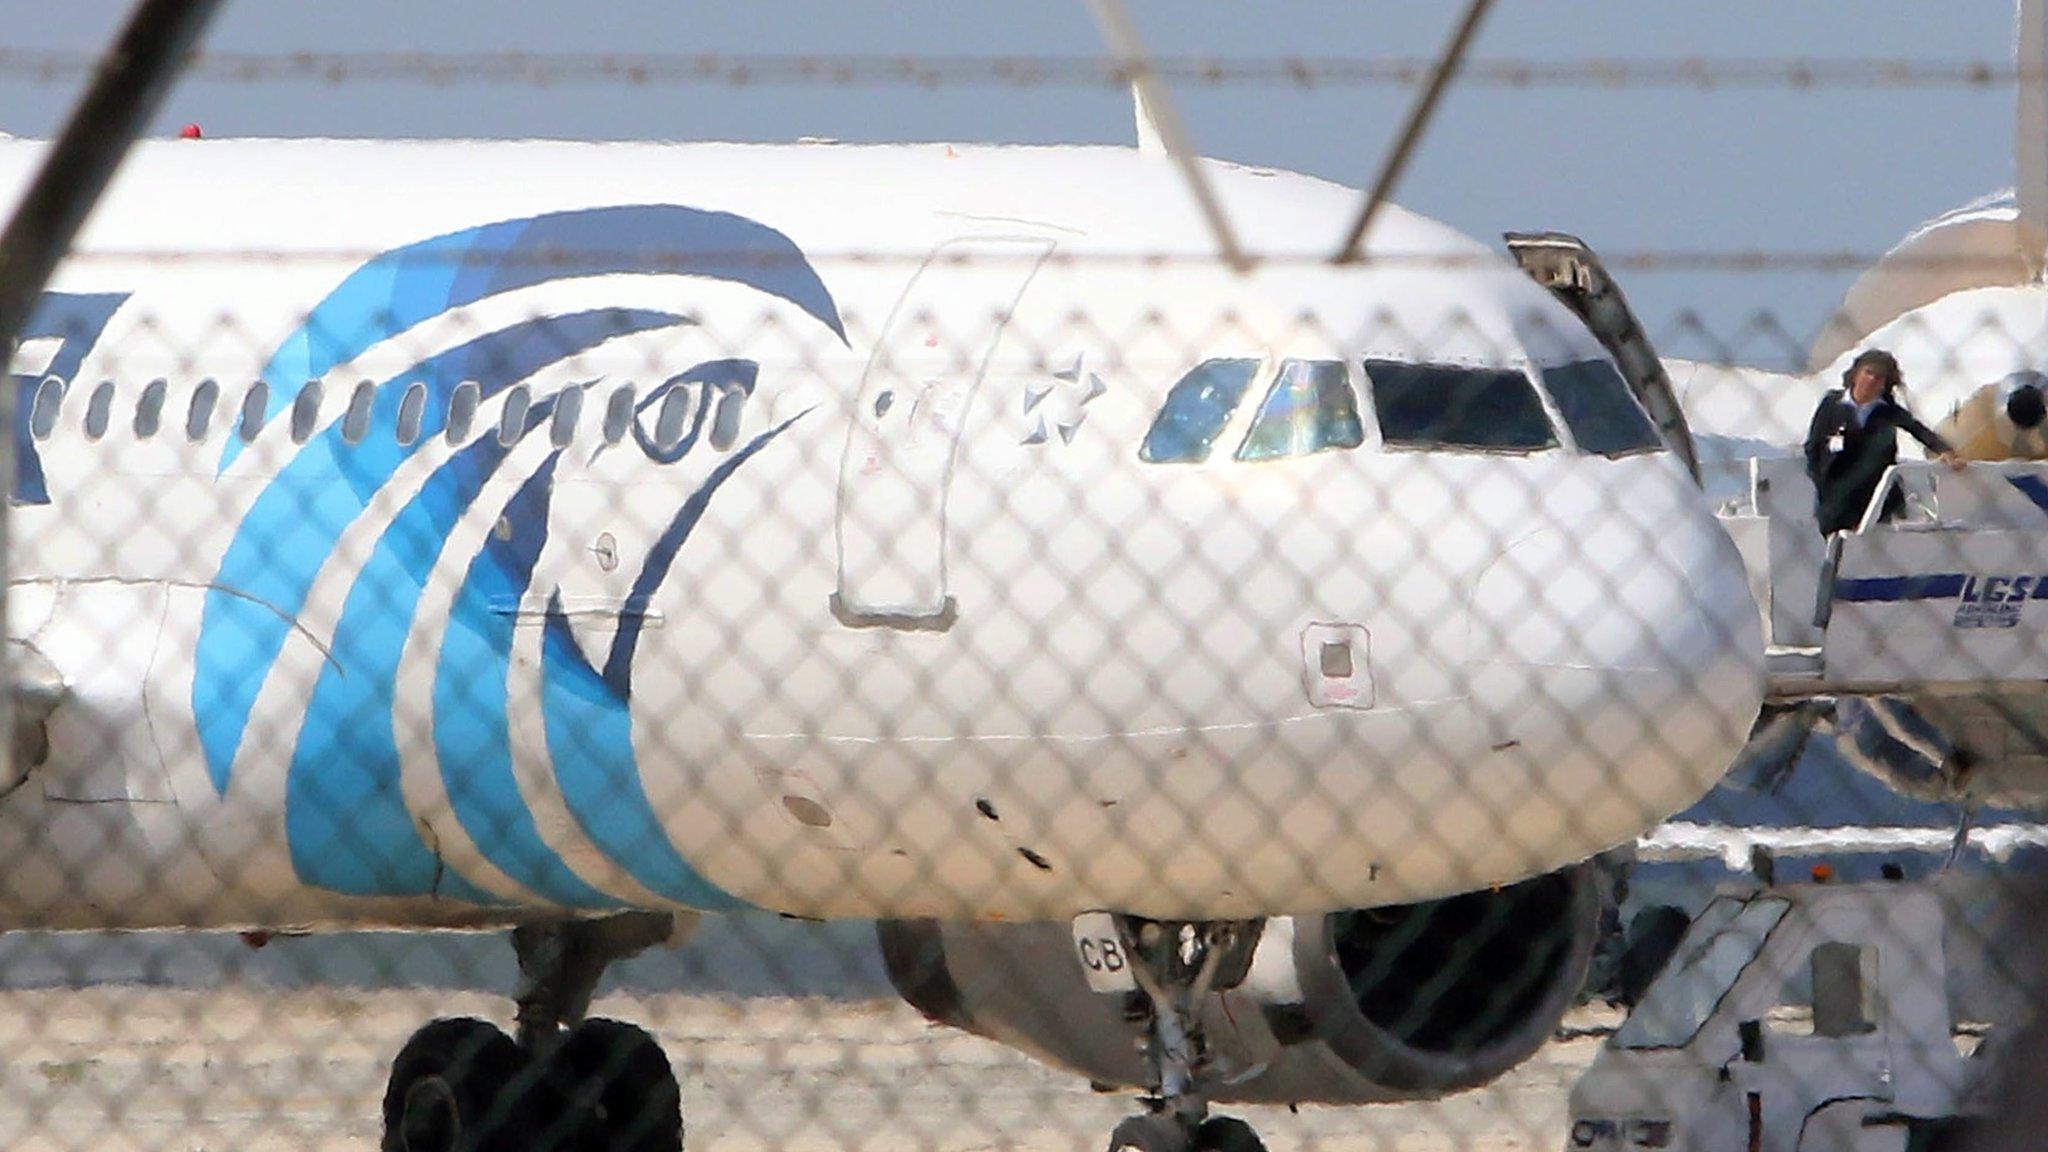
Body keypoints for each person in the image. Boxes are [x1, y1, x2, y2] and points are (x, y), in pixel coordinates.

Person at [1803, 348, 1964, 536]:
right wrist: (1820, 477)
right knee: (1838, 549)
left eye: (1879, 377)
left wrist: (1944, 450)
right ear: (1855, 374)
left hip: (1875, 497)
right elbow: (1813, 445)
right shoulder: (1832, 404)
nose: (1872, 380)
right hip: (1835, 496)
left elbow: (1918, 429)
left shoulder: (1887, 411)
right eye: (1868, 372)